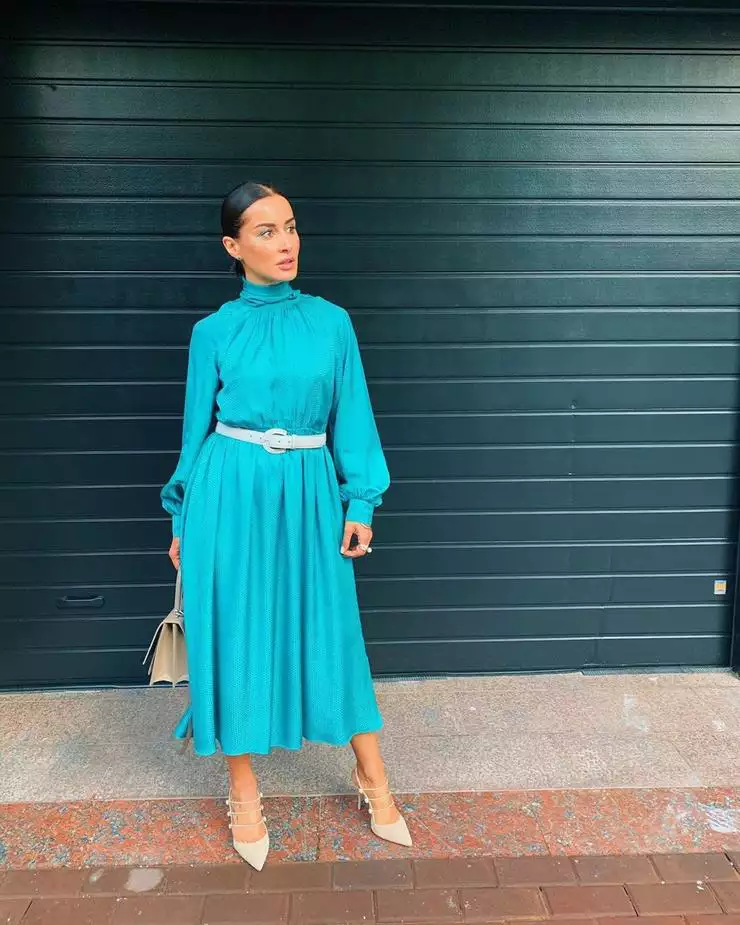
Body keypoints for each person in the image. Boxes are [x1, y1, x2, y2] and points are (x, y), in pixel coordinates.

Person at [159, 181, 411, 870]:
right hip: (227, 493)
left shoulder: (332, 323)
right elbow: (194, 432)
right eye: (266, 231)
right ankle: (243, 789)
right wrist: (181, 516)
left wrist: (361, 501)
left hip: (309, 489)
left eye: (291, 227)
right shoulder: (212, 333)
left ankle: (373, 773)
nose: (286, 242)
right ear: (233, 246)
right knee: (233, 630)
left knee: (333, 627)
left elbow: (353, 415)